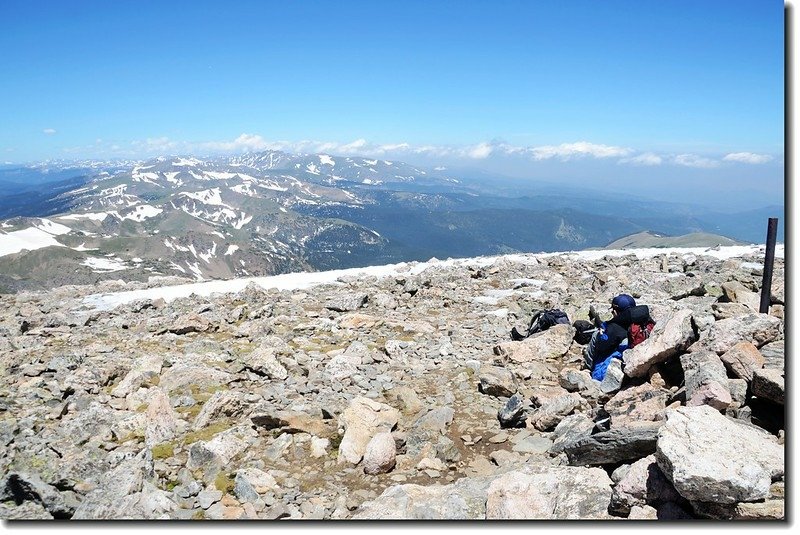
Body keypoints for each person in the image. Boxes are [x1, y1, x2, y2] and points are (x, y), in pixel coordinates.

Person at [583, 294, 655, 377]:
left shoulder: (614, 327)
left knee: (596, 335)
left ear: (616, 311)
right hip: (643, 359)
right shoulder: (645, 320)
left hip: (618, 366)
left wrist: (602, 332)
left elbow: (601, 346)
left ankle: (588, 367)